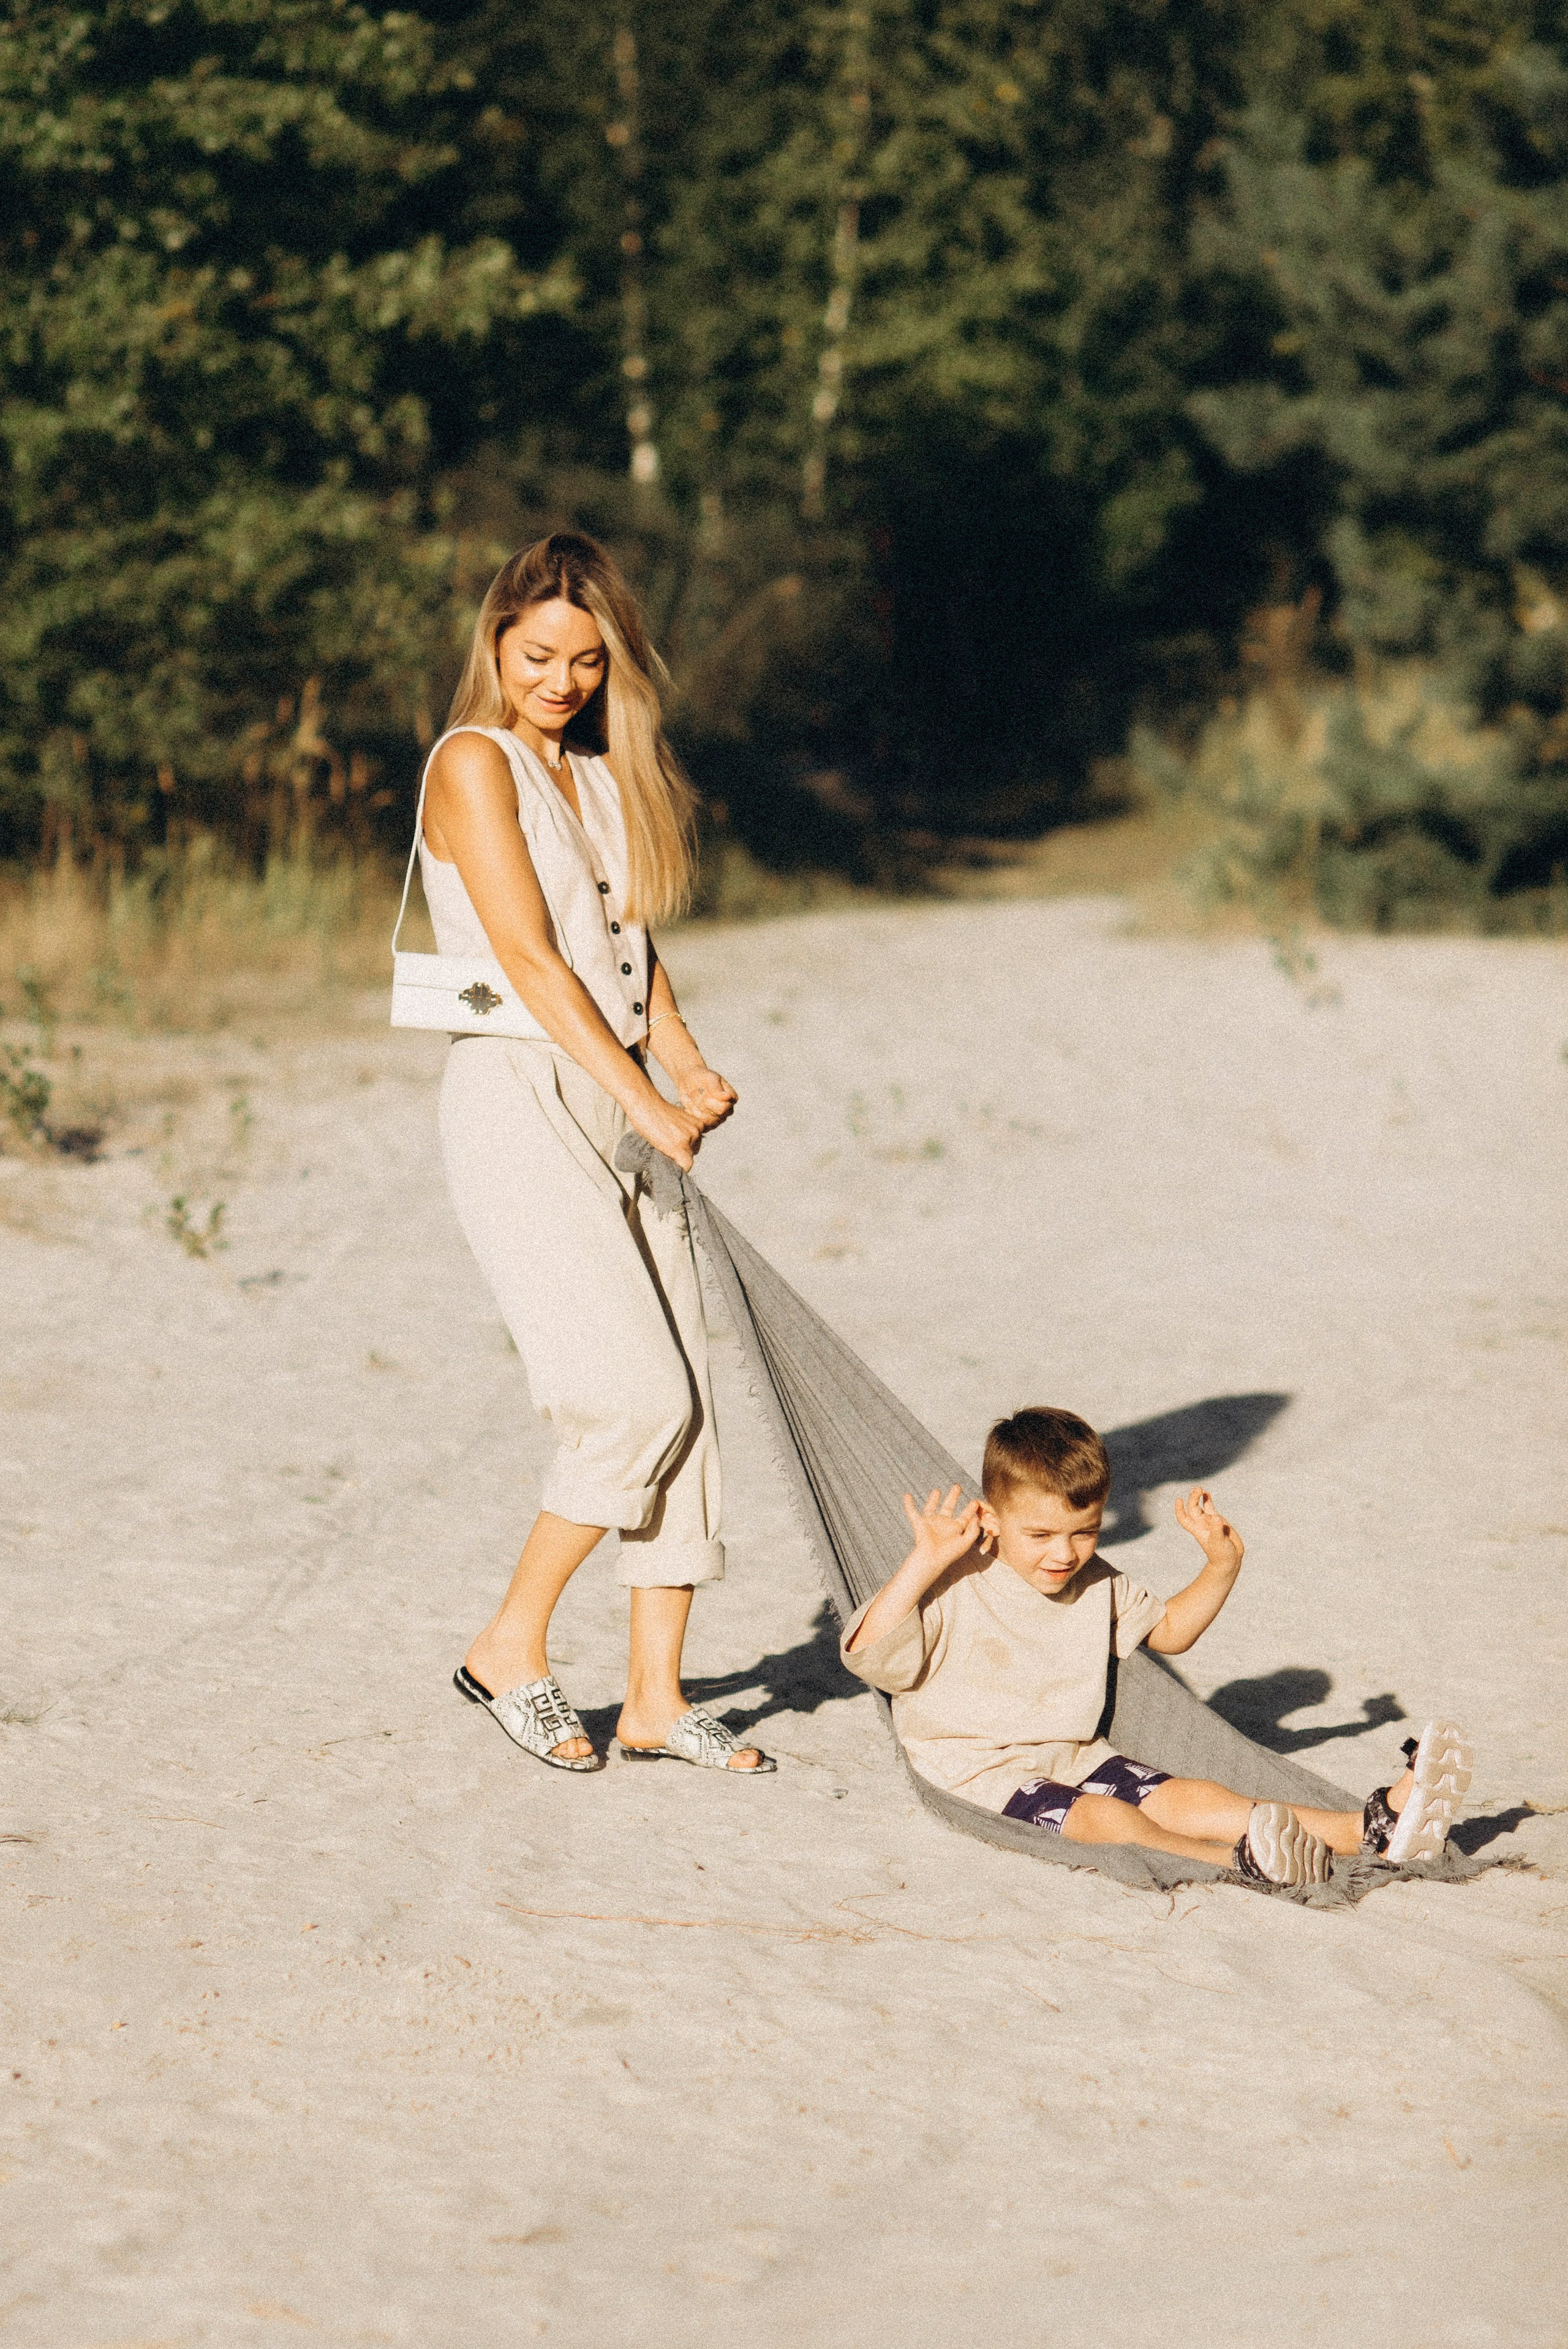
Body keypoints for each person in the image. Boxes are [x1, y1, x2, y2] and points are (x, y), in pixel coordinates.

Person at [421, 530, 772, 1776]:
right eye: (536, 655)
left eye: (584, 660)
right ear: (494, 644)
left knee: (691, 1407)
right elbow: (530, 960)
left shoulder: (603, 778)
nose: (559, 681)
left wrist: (682, 1064)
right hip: (523, 1098)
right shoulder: (473, 762)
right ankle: (509, 1646)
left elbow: (627, 953)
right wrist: (649, 1098)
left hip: (618, 1093)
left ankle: (654, 1700)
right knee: (633, 1399)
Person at [841, 1406, 1471, 1885]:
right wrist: (923, 1562)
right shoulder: (954, 1578)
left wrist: (1221, 1563)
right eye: (1039, 1534)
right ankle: (1245, 1861)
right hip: (977, 1772)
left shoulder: (1093, 1583)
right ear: (991, 1517)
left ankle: (1371, 1827)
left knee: (1194, 1797)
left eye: (1084, 1532)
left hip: (1075, 1755)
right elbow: (868, 1656)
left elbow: (1170, 1631)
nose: (1063, 1553)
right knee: (1108, 1821)